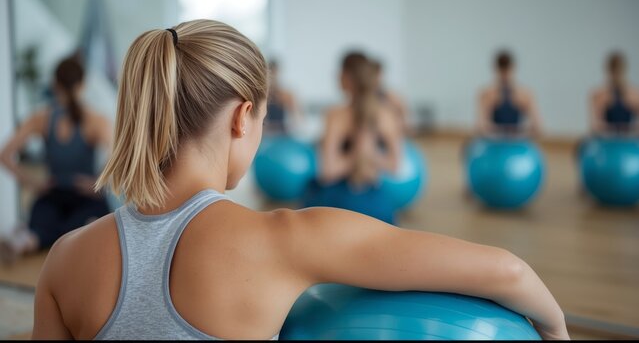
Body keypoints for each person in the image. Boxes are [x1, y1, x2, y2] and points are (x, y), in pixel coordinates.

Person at [32, 20, 568, 340]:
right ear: (243, 117)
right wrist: (559, 331)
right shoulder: (286, 240)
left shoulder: (64, 258)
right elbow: (509, 271)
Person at [0, 57, 112, 264]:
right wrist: (98, 181)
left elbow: (4, 154)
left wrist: (32, 183)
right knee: (76, 230)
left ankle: (26, 239)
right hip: (81, 196)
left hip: (54, 192)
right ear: (83, 85)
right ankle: (32, 238)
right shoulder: (96, 120)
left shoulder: (41, 117)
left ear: (55, 85)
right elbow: (119, 156)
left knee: (49, 226)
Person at [308, 53, 403, 224]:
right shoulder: (387, 115)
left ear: (347, 77)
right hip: (377, 207)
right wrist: (366, 153)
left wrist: (356, 154)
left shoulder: (335, 115)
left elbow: (327, 172)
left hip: (337, 205)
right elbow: (395, 167)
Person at [476, 50, 542, 137]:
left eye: (507, 71)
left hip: (516, 142)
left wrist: (524, 130)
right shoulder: (487, 94)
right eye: (502, 71)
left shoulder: (524, 94)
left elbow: (539, 128)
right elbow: (479, 127)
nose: (505, 75)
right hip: (494, 142)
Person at [589, 51, 639, 135]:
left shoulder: (634, 95)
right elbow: (595, 127)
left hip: (628, 141)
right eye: (614, 72)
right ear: (609, 72)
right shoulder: (600, 95)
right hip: (608, 140)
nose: (617, 75)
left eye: (619, 71)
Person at [370, 58, 409, 132]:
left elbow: (404, 117)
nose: (377, 78)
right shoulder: (364, 98)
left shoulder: (391, 96)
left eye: (379, 74)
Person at [263, 60, 300, 134]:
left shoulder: (286, 96)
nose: (273, 78)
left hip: (282, 133)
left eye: (275, 73)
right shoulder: (263, 96)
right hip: (267, 133)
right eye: (271, 75)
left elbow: (297, 120)